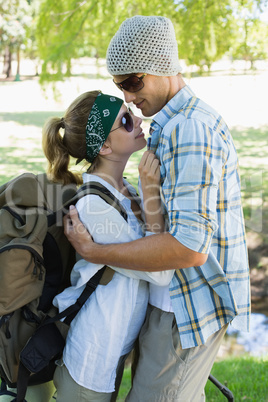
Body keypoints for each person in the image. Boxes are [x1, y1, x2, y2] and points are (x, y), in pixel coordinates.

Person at [64, 16, 251, 401]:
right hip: (168, 304)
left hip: (185, 305)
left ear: (162, 66)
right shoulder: (168, 125)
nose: (129, 98)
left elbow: (188, 249)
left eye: (133, 83)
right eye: (120, 87)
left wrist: (94, 251)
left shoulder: (188, 129)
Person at [42, 89, 173, 402]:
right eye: (126, 120)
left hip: (111, 355)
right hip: (91, 363)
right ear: (103, 145)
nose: (138, 119)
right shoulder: (94, 206)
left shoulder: (124, 193)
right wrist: (151, 193)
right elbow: (161, 273)